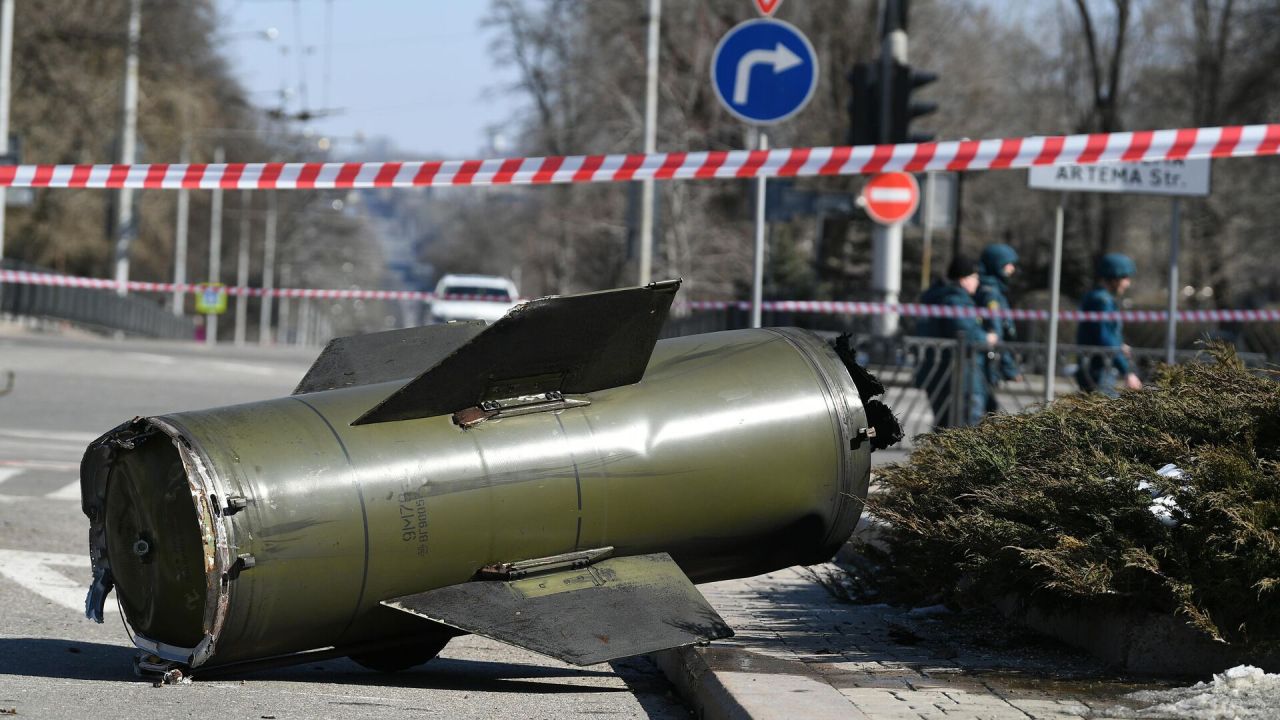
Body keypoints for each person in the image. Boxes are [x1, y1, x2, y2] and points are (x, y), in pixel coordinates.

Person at [914, 255, 998, 428]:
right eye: (975, 277)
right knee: (966, 428)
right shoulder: (955, 299)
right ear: (964, 278)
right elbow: (965, 331)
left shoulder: (934, 295)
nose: (977, 282)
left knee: (945, 427)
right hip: (961, 374)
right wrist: (986, 338)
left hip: (938, 372)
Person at [1076, 252, 1142, 397]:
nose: (1128, 283)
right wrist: (1127, 371)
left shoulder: (1099, 298)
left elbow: (1106, 333)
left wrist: (1120, 345)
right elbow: (1106, 338)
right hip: (1098, 369)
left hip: (1096, 367)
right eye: (1125, 278)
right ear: (1114, 277)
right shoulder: (1101, 301)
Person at [975, 243, 1022, 414]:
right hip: (986, 363)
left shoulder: (991, 289)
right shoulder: (990, 292)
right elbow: (997, 331)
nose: (1012, 269)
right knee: (983, 413)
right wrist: (1009, 368)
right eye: (1008, 264)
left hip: (985, 362)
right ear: (997, 264)